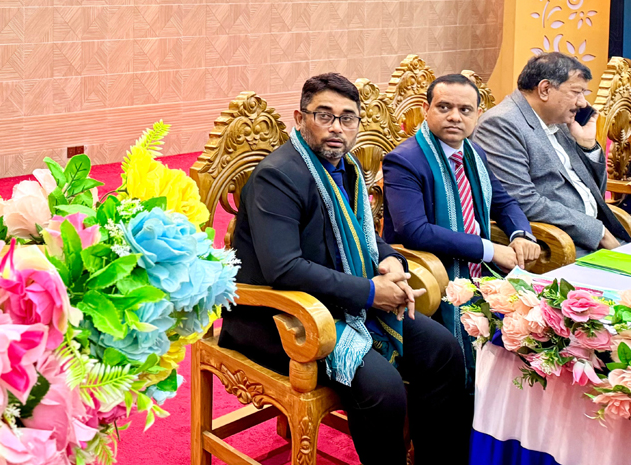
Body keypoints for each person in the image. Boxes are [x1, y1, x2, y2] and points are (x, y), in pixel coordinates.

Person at [219, 73, 471, 465]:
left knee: (443, 351)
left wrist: (390, 259)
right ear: (300, 119)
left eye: (348, 118)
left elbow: (362, 235)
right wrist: (371, 293)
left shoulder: (346, 166)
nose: (337, 127)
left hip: (344, 303)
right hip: (282, 319)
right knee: (383, 388)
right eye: (325, 115)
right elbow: (284, 269)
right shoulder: (278, 176)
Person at [381, 73, 539, 376]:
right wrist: (489, 250)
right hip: (431, 276)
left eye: (465, 110)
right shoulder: (404, 161)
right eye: (444, 107)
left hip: (482, 270)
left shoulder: (473, 153)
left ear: (478, 114)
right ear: (426, 109)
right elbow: (414, 231)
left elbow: (504, 202)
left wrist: (521, 235)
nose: (455, 117)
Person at [473, 52, 631, 257]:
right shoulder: (501, 124)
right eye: (576, 92)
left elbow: (595, 193)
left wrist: (588, 146)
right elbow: (522, 201)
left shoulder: (560, 119)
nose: (583, 103)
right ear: (545, 89)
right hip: (562, 247)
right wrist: (597, 232)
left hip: (598, 237)